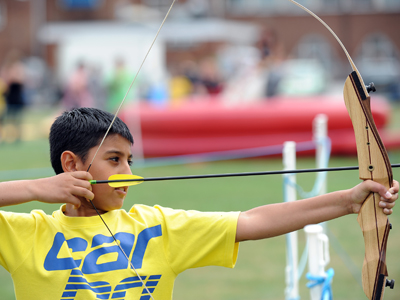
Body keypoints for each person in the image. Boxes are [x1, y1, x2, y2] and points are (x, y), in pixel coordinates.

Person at [0, 107, 397, 300]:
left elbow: (254, 222)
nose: (128, 173)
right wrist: (36, 188)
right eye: (115, 160)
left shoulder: (157, 226)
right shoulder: (27, 233)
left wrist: (348, 200)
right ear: (71, 164)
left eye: (130, 161)